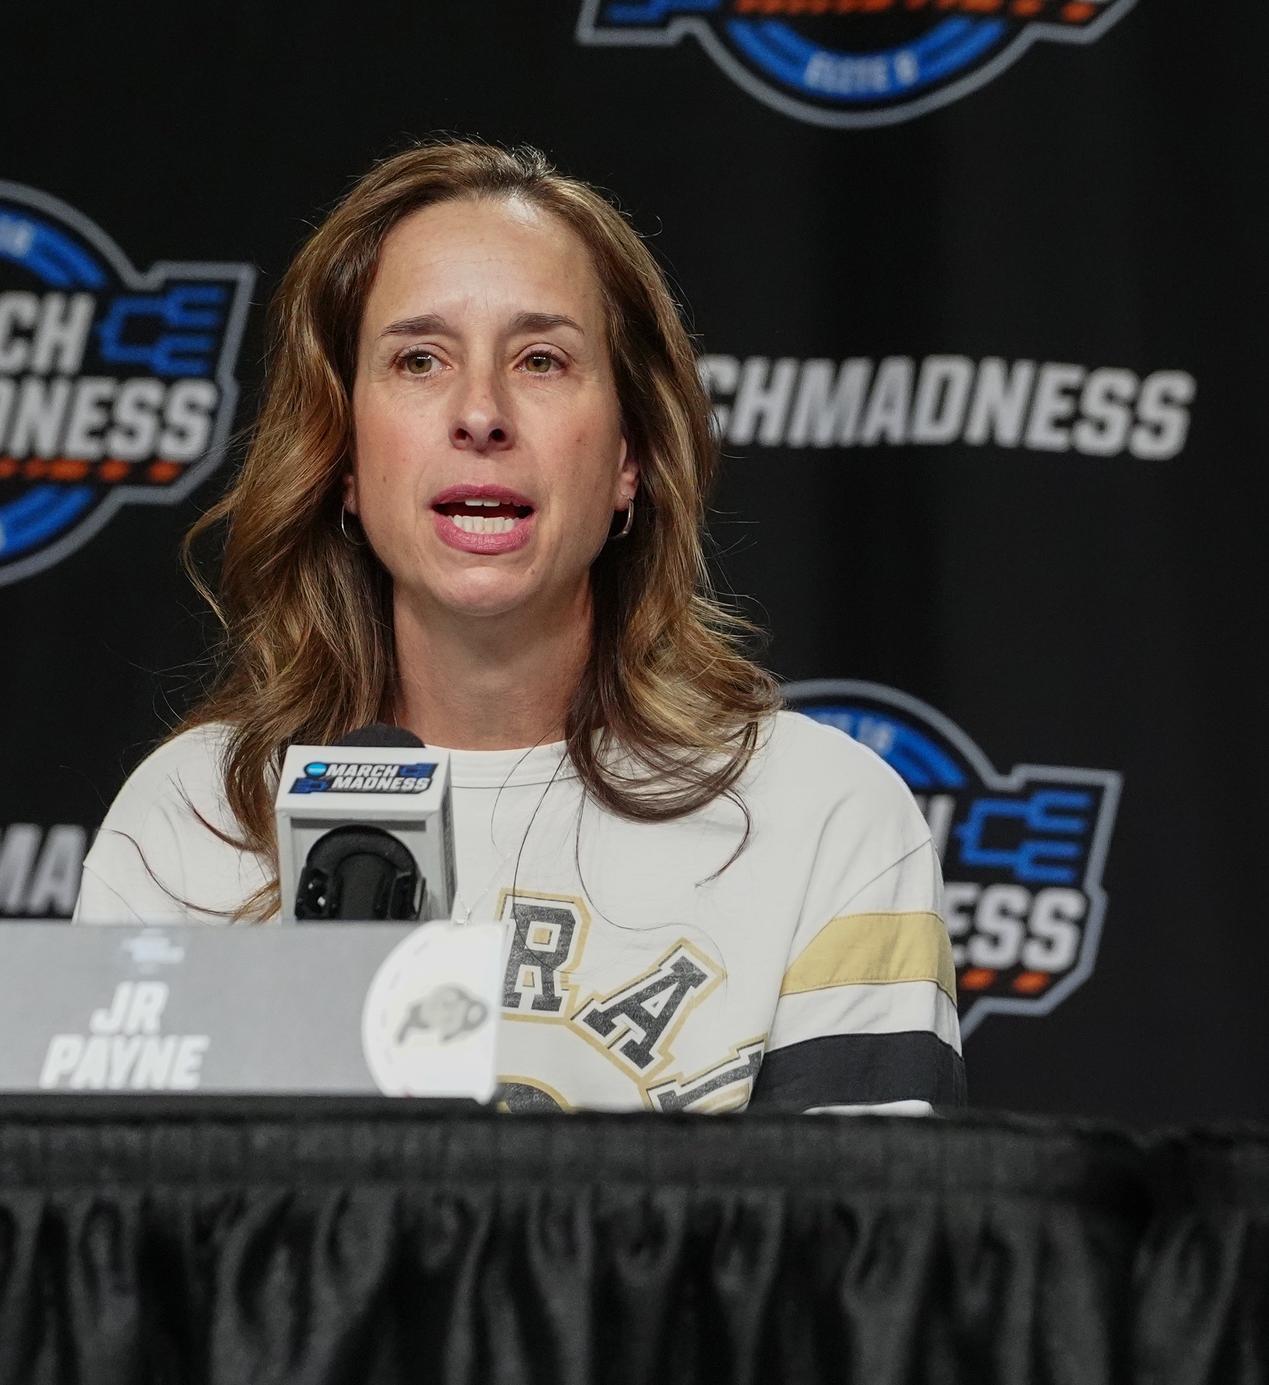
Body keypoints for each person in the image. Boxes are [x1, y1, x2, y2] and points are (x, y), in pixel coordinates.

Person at [77, 141, 960, 1114]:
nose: (481, 413)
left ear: (628, 456)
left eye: (540, 359)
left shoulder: (823, 819)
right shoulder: (191, 820)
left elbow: (867, 1257)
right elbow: (111, 1247)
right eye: (419, 359)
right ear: (341, 455)